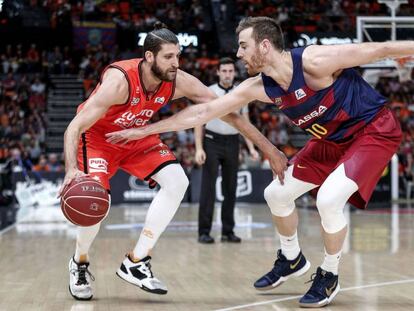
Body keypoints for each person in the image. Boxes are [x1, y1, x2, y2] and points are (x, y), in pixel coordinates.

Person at [105, 16, 411, 308]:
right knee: (275, 193)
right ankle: (291, 259)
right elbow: (202, 113)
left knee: (329, 200)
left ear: (264, 45)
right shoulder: (259, 86)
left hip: (372, 130)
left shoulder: (314, 62)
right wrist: (145, 129)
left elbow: (380, 49)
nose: (238, 53)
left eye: (243, 45)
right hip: (331, 140)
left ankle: (329, 274)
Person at [59, 22, 281, 301]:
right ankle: (79, 262)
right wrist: (71, 170)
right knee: (95, 206)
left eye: (178, 56)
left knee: (178, 181)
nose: (176, 63)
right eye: (168, 57)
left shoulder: (178, 80)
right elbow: (74, 127)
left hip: (136, 137)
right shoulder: (119, 81)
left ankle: (137, 261)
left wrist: (268, 148)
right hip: (99, 139)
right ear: (149, 57)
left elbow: (226, 112)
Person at [195, 57, 259, 244]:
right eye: (224, 71)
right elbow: (199, 120)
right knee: (208, 189)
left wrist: (252, 147)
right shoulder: (209, 92)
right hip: (211, 142)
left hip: (233, 142)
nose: (227, 74)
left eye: (230, 71)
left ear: (234, 73)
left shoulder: (241, 93)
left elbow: (245, 123)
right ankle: (204, 232)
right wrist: (199, 148)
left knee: (230, 189)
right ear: (218, 72)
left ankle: (227, 231)